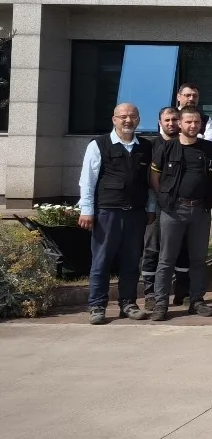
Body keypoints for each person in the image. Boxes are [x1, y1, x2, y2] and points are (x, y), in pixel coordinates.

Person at [78, 102, 156, 325]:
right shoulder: (98, 144)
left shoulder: (146, 147)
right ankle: (97, 306)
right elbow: (87, 180)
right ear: (114, 119)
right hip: (107, 213)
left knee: (131, 262)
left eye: (133, 116)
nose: (128, 120)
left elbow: (150, 183)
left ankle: (128, 303)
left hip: (136, 214)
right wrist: (86, 210)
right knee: (101, 261)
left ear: (139, 120)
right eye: (123, 117)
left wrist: (151, 208)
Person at [148, 106, 212, 320]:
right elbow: (154, 176)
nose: (193, 125)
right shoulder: (167, 148)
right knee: (166, 259)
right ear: (180, 123)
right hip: (173, 210)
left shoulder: (208, 148)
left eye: (196, 122)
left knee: (198, 259)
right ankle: (161, 304)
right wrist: (163, 200)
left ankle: (196, 300)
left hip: (200, 210)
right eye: (188, 122)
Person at [141, 107, 183, 313]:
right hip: (156, 205)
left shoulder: (186, 143)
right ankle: (150, 294)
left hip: (182, 206)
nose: (171, 123)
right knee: (152, 249)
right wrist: (153, 205)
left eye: (175, 119)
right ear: (160, 122)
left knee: (181, 249)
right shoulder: (150, 146)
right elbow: (149, 179)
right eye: (167, 120)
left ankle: (182, 292)